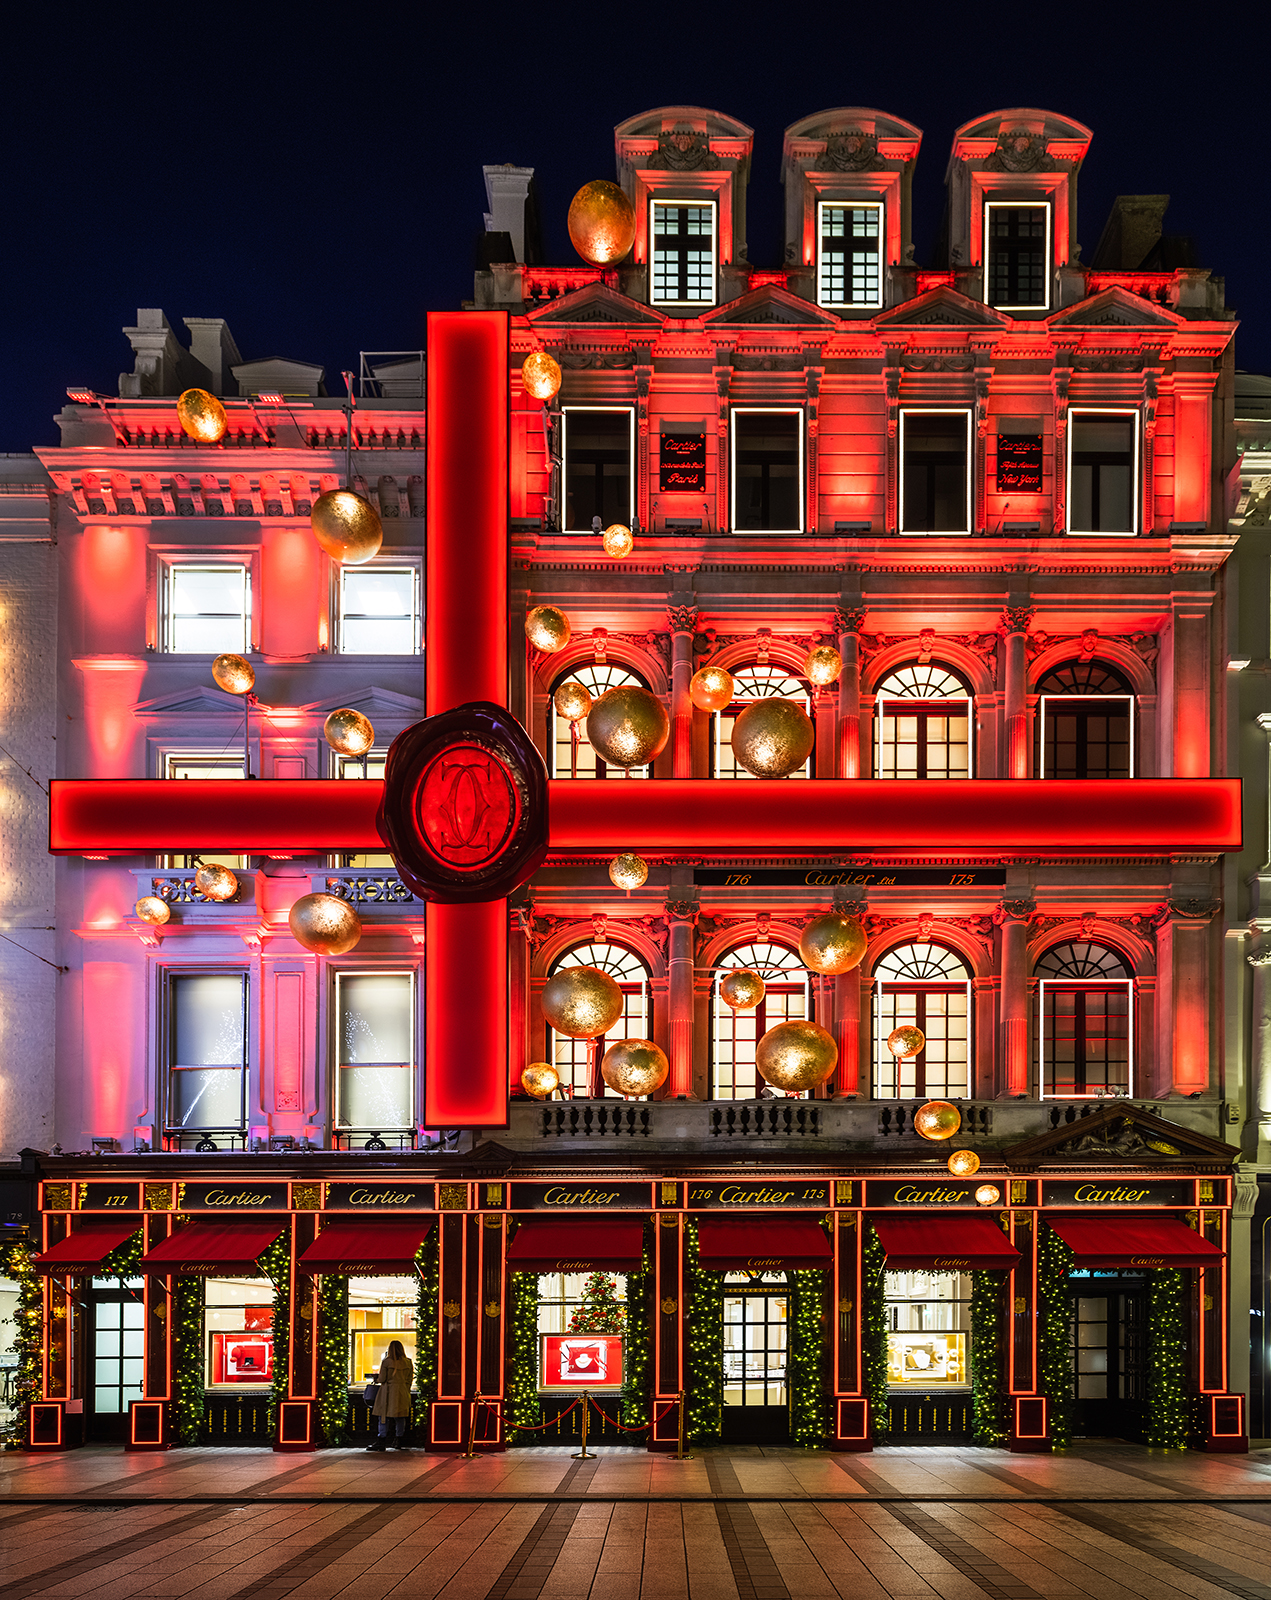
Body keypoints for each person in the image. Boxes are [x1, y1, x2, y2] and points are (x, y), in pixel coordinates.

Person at [366, 1339, 414, 1451]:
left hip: (387, 1392)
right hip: (402, 1391)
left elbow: (382, 1378)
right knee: (400, 1417)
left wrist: (376, 1379)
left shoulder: (386, 1362)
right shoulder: (408, 1362)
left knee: (383, 1417)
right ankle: (398, 1440)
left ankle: (381, 1440)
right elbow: (409, 1379)